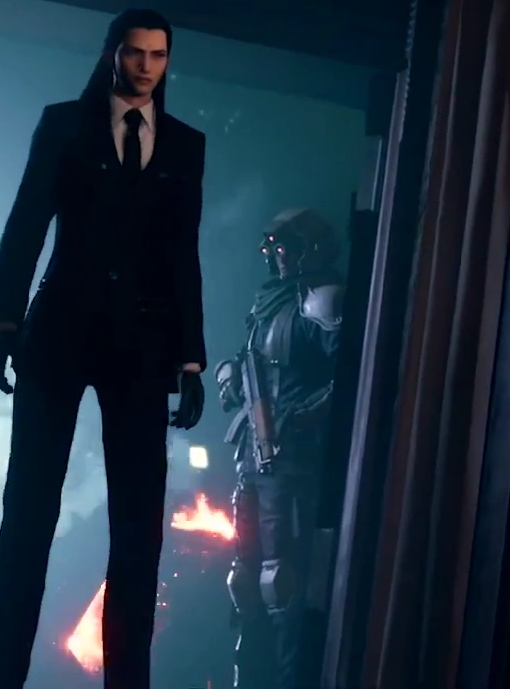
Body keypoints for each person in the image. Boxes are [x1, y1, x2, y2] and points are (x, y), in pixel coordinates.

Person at [0, 8, 209, 689]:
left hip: (140, 344)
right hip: (59, 332)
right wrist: (4, 323)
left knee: (138, 529)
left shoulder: (184, 144)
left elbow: (182, 252)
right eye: (135, 53)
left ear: (167, 61)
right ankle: (0, 678)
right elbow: (26, 221)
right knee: (28, 514)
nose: (146, 66)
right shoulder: (64, 125)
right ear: (112, 54)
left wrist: (190, 357)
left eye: (158, 55)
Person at [215, 208, 345, 689]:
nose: (277, 256)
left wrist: (304, 417)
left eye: (284, 246)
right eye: (272, 248)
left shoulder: (323, 301)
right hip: (254, 460)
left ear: (310, 248)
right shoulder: (270, 304)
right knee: (244, 581)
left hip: (292, 463)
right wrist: (230, 375)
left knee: (282, 584)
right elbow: (246, 364)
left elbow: (351, 378)